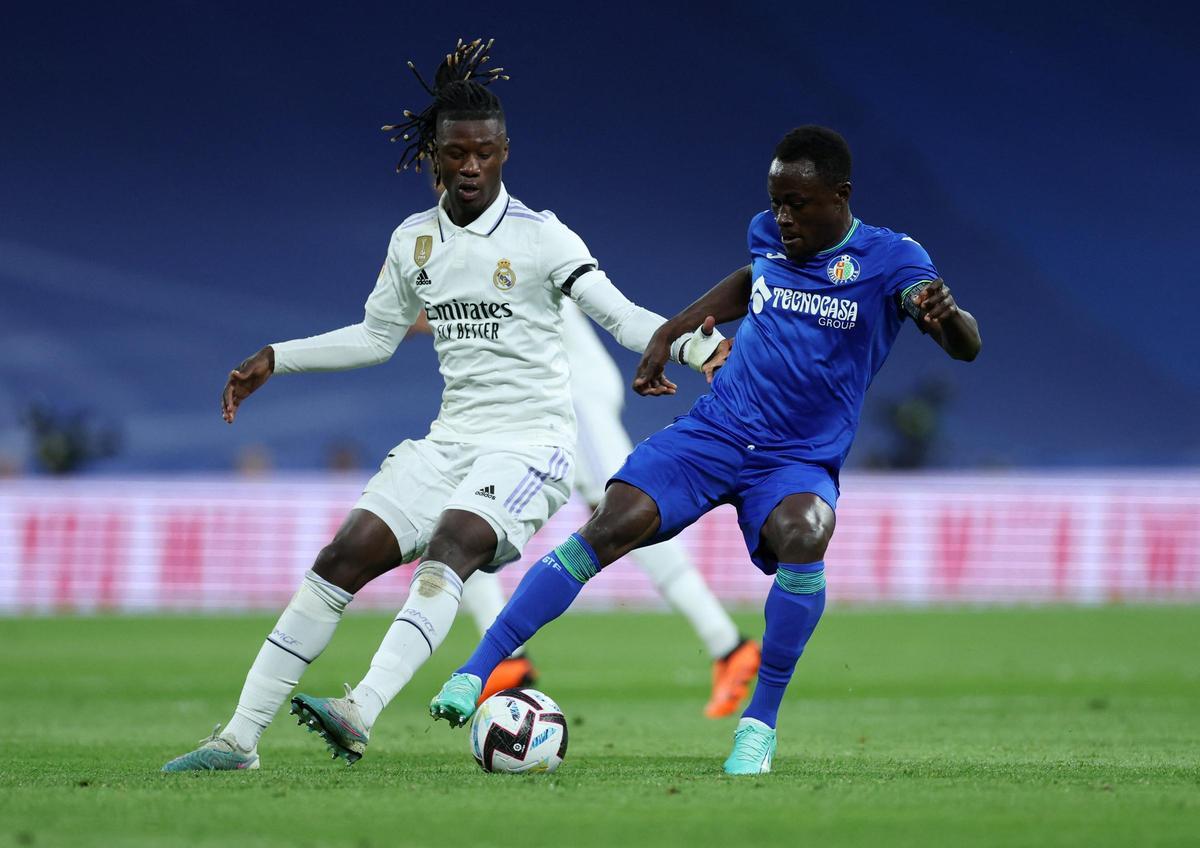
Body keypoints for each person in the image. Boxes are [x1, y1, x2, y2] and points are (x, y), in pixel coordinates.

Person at [161, 39, 721, 771]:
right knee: (340, 559)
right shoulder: (413, 242)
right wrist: (278, 356)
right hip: (451, 439)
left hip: (533, 445)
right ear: (433, 155)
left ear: (505, 153)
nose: (470, 167)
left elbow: (617, 313)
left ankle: (358, 709)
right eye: (456, 153)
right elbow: (373, 337)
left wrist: (691, 346)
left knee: (455, 542)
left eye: (484, 154)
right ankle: (237, 740)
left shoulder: (542, 236)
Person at [429, 125, 982, 775]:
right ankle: (475, 672)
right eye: (776, 201)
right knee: (611, 523)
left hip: (796, 458)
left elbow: (962, 341)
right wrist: (669, 333)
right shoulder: (771, 236)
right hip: (715, 430)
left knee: (806, 533)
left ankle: (759, 725)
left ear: (841, 195)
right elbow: (751, 283)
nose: (783, 217)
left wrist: (947, 318)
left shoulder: (892, 260)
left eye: (798, 204)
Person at [457, 299, 761, 718]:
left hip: (570, 392)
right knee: (467, 512)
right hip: (526, 404)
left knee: (623, 517)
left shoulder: (511, 244)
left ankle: (727, 644)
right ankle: (508, 662)